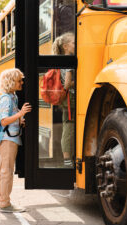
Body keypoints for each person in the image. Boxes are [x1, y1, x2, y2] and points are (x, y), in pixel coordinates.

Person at [0, 68, 32, 213]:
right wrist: (21, 113)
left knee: (4, 170)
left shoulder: (12, 97)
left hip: (11, 137)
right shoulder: (6, 98)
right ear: (11, 82)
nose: (22, 83)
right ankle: (5, 203)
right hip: (8, 139)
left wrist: (19, 119)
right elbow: (4, 120)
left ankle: (0, 200)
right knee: (7, 171)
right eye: (19, 80)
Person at [52, 32, 75, 167]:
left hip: (66, 98)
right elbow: (67, 83)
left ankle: (67, 158)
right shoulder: (69, 60)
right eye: (73, 43)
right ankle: (67, 160)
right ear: (66, 46)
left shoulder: (62, 59)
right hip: (70, 97)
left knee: (67, 125)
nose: (75, 45)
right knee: (69, 127)